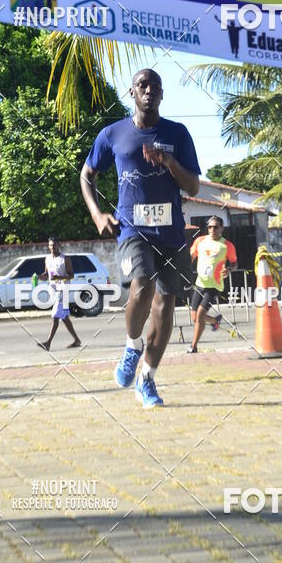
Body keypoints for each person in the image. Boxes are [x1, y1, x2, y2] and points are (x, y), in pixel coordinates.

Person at [80, 68, 200, 408]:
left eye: (155, 87)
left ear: (162, 95)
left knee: (165, 308)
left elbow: (192, 186)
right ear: (131, 92)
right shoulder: (112, 134)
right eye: (142, 85)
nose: (149, 90)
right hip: (133, 230)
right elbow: (87, 175)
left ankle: (146, 379)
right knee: (142, 285)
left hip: (171, 232)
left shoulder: (177, 133)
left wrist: (168, 161)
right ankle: (132, 346)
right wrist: (96, 213)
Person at [188, 216, 237, 353]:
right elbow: (190, 257)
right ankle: (215, 321)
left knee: (200, 314)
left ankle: (193, 346)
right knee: (194, 317)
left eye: (215, 227)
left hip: (215, 286)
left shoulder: (227, 245)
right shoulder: (200, 241)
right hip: (200, 284)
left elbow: (234, 263)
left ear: (221, 228)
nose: (212, 229)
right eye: (210, 227)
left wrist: (229, 269)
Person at [37, 237, 81, 350]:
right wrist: (40, 277)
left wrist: (60, 277)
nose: (52, 247)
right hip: (54, 290)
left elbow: (71, 275)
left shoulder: (65, 259)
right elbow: (47, 274)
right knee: (65, 317)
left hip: (63, 290)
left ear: (59, 245)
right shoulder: (47, 259)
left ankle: (48, 343)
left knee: (55, 316)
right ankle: (77, 340)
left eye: (54, 245)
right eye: (50, 245)